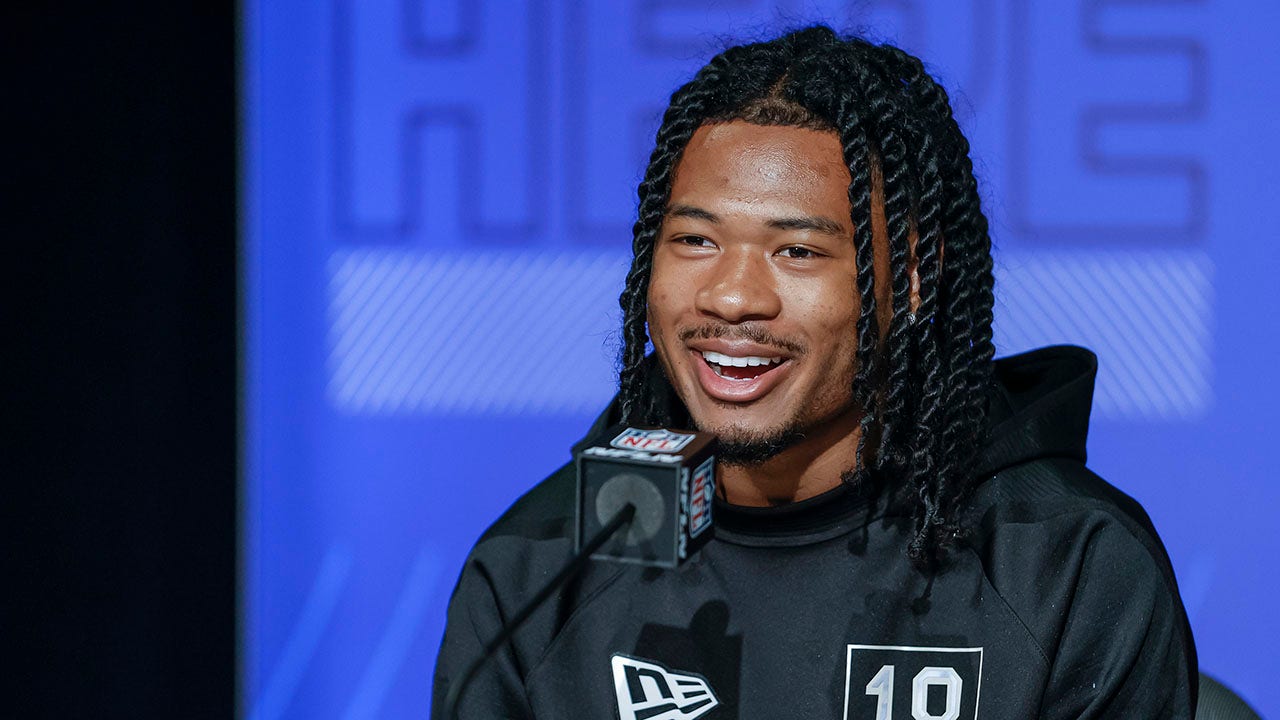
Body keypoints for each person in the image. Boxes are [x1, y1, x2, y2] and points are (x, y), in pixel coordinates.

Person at [432, 26, 1196, 719]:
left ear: (916, 277)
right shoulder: (537, 572)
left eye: (796, 251)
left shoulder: (1064, 567)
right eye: (695, 240)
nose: (731, 296)